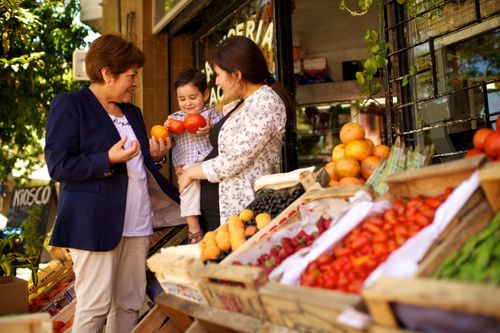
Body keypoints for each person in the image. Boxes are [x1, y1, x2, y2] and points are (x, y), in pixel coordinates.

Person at [44, 34, 184, 333]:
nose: (134, 83)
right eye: (131, 76)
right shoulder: (70, 105)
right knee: (94, 307)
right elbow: (58, 165)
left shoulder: (132, 112)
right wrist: (105, 158)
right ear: (108, 74)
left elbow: (136, 165)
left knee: (129, 303)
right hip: (94, 225)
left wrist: (156, 158)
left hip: (136, 223)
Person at [178, 36, 295, 230]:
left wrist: (192, 172)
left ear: (237, 74)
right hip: (220, 211)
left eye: (219, 75)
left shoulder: (266, 102)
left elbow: (236, 158)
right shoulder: (243, 102)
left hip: (240, 211)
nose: (217, 82)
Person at [166, 68, 223, 243]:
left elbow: (223, 130)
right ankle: (194, 229)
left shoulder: (212, 113)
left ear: (205, 94)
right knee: (187, 190)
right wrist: (166, 132)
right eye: (182, 99)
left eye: (193, 98)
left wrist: (210, 128)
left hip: (209, 163)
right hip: (188, 165)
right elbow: (168, 142)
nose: (188, 104)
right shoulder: (174, 119)